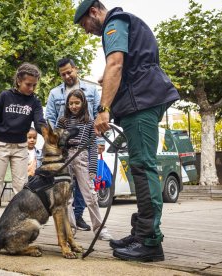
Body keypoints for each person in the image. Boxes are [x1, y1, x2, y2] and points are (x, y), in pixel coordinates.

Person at [74, 0, 180, 262]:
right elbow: (125, 66)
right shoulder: (123, 23)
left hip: (142, 102)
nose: (87, 31)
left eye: (85, 25)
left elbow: (116, 64)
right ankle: (141, 230)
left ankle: (150, 241)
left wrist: (103, 109)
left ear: (94, 12)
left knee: (143, 166)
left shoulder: (114, 23)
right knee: (138, 165)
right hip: (142, 98)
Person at [0, 63, 46, 242]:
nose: (31, 88)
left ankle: (19, 228)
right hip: (0, 145)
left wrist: (50, 133)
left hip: (20, 147)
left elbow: (40, 122)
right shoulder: (5, 96)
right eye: (28, 84)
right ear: (18, 80)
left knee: (21, 189)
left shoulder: (34, 101)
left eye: (34, 85)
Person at [46, 58, 100, 232]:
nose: (67, 76)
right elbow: (51, 120)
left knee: (88, 192)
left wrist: (97, 144)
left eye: (69, 72)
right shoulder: (55, 94)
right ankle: (71, 227)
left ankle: (96, 225)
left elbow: (99, 115)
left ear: (76, 69)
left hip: (85, 149)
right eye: (63, 74)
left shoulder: (91, 90)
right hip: (66, 153)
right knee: (66, 194)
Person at [57, 89, 113, 241]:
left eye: (77, 103)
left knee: (91, 196)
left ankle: (100, 229)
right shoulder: (62, 121)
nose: (74, 106)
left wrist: (93, 168)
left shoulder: (89, 122)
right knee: (66, 197)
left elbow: (93, 146)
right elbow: (58, 142)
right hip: (66, 158)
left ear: (83, 103)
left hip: (82, 158)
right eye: (71, 103)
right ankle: (70, 230)